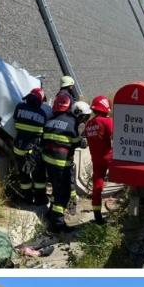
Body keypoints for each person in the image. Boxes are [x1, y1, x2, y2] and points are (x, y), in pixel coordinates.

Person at [41, 92, 84, 233]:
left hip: (47, 161)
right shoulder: (72, 122)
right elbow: (76, 142)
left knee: (55, 188)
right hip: (61, 163)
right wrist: (82, 141)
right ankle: (57, 223)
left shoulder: (49, 120)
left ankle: (50, 213)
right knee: (63, 193)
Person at [11, 87, 51, 205]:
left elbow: (15, 121)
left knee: (23, 174)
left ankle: (27, 198)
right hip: (34, 150)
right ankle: (40, 199)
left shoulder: (19, 107)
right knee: (38, 174)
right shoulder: (42, 114)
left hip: (19, 148)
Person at [84, 96, 115, 224]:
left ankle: (97, 217)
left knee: (97, 186)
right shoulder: (107, 121)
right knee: (126, 179)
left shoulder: (88, 124)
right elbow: (117, 136)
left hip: (96, 160)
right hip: (109, 157)